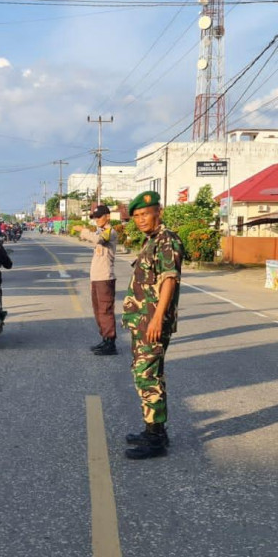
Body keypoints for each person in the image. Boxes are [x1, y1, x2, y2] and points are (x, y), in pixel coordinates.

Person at [121, 191, 184, 460]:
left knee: (147, 376)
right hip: (143, 321)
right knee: (146, 374)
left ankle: (156, 439)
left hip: (152, 323)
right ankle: (153, 430)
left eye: (145, 214)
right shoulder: (152, 240)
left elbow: (169, 280)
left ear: (159, 212)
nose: (140, 220)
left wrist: (157, 318)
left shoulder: (167, 240)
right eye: (136, 216)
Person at [81, 205, 118, 356]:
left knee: (105, 310)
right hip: (96, 278)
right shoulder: (101, 231)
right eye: (95, 217)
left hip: (105, 277)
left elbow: (98, 239)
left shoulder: (110, 231)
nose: (96, 220)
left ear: (107, 216)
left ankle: (110, 342)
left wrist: (83, 231)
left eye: (99, 217)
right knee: (98, 311)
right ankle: (104, 338)